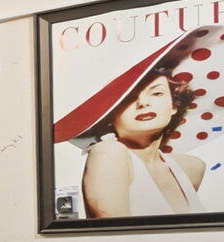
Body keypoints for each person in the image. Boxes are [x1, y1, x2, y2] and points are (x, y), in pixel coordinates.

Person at [79, 68, 204, 217]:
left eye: (157, 93)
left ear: (174, 105)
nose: (143, 103)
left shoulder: (191, 168)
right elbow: (116, 237)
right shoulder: (109, 153)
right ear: (110, 115)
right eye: (128, 97)